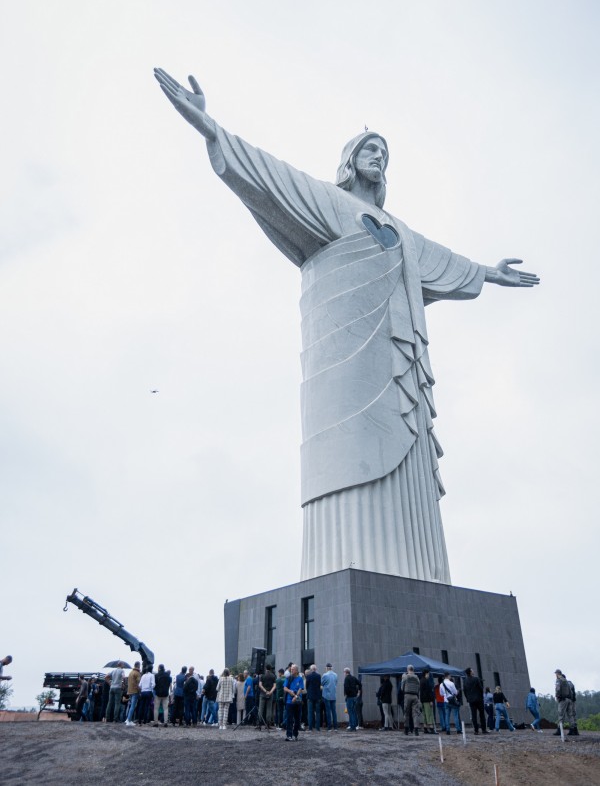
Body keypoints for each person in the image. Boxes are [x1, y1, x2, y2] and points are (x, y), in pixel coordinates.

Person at [155, 68, 539, 586]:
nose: (379, 158)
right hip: (344, 378)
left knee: (409, 482)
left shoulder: (399, 230)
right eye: (370, 150)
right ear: (350, 160)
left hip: (397, 373)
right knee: (348, 479)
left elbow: (440, 259)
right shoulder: (332, 203)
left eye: (385, 153)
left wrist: (488, 272)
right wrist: (210, 128)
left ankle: (422, 575)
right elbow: (272, 176)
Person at [554, 669, 578, 736]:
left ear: (557, 674)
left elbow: (558, 690)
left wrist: (558, 697)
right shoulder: (567, 681)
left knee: (561, 715)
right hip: (569, 699)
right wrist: (570, 698)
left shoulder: (559, 680)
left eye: (556, 674)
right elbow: (571, 691)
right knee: (570, 715)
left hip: (563, 699)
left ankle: (559, 730)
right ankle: (573, 730)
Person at [284, 665, 304, 741]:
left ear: (296, 670)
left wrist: (295, 697)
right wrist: (290, 691)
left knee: (297, 719)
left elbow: (300, 689)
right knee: (289, 718)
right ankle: (289, 735)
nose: (291, 671)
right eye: (291, 669)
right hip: (289, 701)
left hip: (297, 701)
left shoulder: (300, 679)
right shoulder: (288, 678)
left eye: (293, 669)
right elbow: (285, 688)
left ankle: (295, 734)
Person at [463, 667, 487, 734]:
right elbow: (481, 688)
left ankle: (476, 730)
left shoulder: (465, 681)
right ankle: (483, 729)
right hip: (479, 699)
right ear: (470, 672)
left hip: (471, 700)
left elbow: (464, 691)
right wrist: (481, 696)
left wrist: (468, 698)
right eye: (472, 670)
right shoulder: (476, 679)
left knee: (474, 715)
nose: (473, 671)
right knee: (482, 714)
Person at [401, 666, 423, 736]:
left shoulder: (405, 677)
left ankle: (406, 730)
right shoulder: (417, 678)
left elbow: (402, 688)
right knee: (415, 714)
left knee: (406, 713)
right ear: (413, 670)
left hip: (407, 695)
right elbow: (419, 688)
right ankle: (416, 730)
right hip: (415, 696)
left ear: (408, 670)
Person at [258, 664, 277, 729]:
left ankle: (259, 724)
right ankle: (268, 724)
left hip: (263, 694)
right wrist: (270, 692)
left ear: (265, 668)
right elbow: (274, 686)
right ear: (271, 669)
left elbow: (260, 685)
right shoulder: (273, 676)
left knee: (261, 709)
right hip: (270, 694)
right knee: (269, 709)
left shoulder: (262, 675)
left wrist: (265, 691)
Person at [343, 667, 361, 732]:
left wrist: (346, 694)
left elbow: (346, 688)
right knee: (353, 712)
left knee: (350, 712)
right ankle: (355, 726)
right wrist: (358, 691)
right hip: (354, 697)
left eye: (344, 672)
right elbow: (359, 683)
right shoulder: (353, 678)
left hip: (349, 697)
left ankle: (352, 727)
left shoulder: (346, 679)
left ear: (345, 672)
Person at [305, 664, 321, 732]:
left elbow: (307, 685)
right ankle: (317, 727)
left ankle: (310, 727)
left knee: (310, 712)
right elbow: (319, 684)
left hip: (310, 696)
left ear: (311, 669)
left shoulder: (308, 676)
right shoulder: (319, 676)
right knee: (317, 712)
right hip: (317, 696)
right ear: (316, 669)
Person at [419, 667, 436, 734]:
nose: (428, 675)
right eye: (428, 674)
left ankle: (425, 728)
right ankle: (431, 728)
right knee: (429, 714)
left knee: (425, 715)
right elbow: (428, 692)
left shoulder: (421, 681)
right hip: (427, 700)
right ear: (426, 674)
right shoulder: (426, 681)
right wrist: (431, 700)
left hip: (422, 700)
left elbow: (421, 692)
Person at [125, 661, 141, 726]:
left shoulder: (131, 672)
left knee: (130, 705)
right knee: (133, 706)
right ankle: (129, 720)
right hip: (135, 691)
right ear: (138, 666)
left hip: (130, 691)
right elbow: (139, 683)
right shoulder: (137, 673)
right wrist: (139, 690)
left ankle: (128, 719)